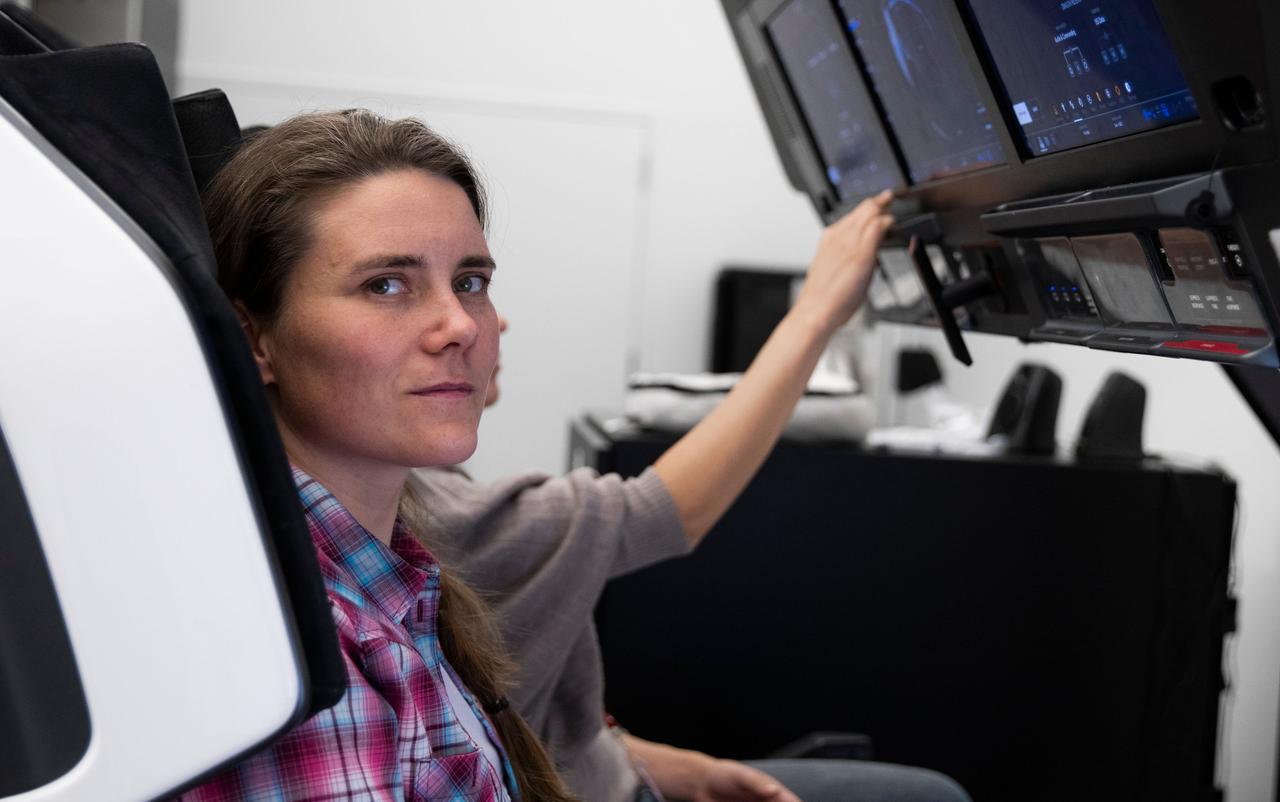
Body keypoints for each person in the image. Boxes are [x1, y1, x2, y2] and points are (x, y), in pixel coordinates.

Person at [405, 184, 971, 799]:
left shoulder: (423, 486)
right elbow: (661, 510)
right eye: (388, 288)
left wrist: (678, 770)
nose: (473, 325)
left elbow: (528, 723)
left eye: (471, 283)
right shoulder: (432, 518)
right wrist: (816, 311)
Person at [183, 109, 578, 801]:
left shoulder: (380, 578)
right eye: (386, 285)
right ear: (253, 339)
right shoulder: (299, 650)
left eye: (470, 281)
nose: (458, 326)